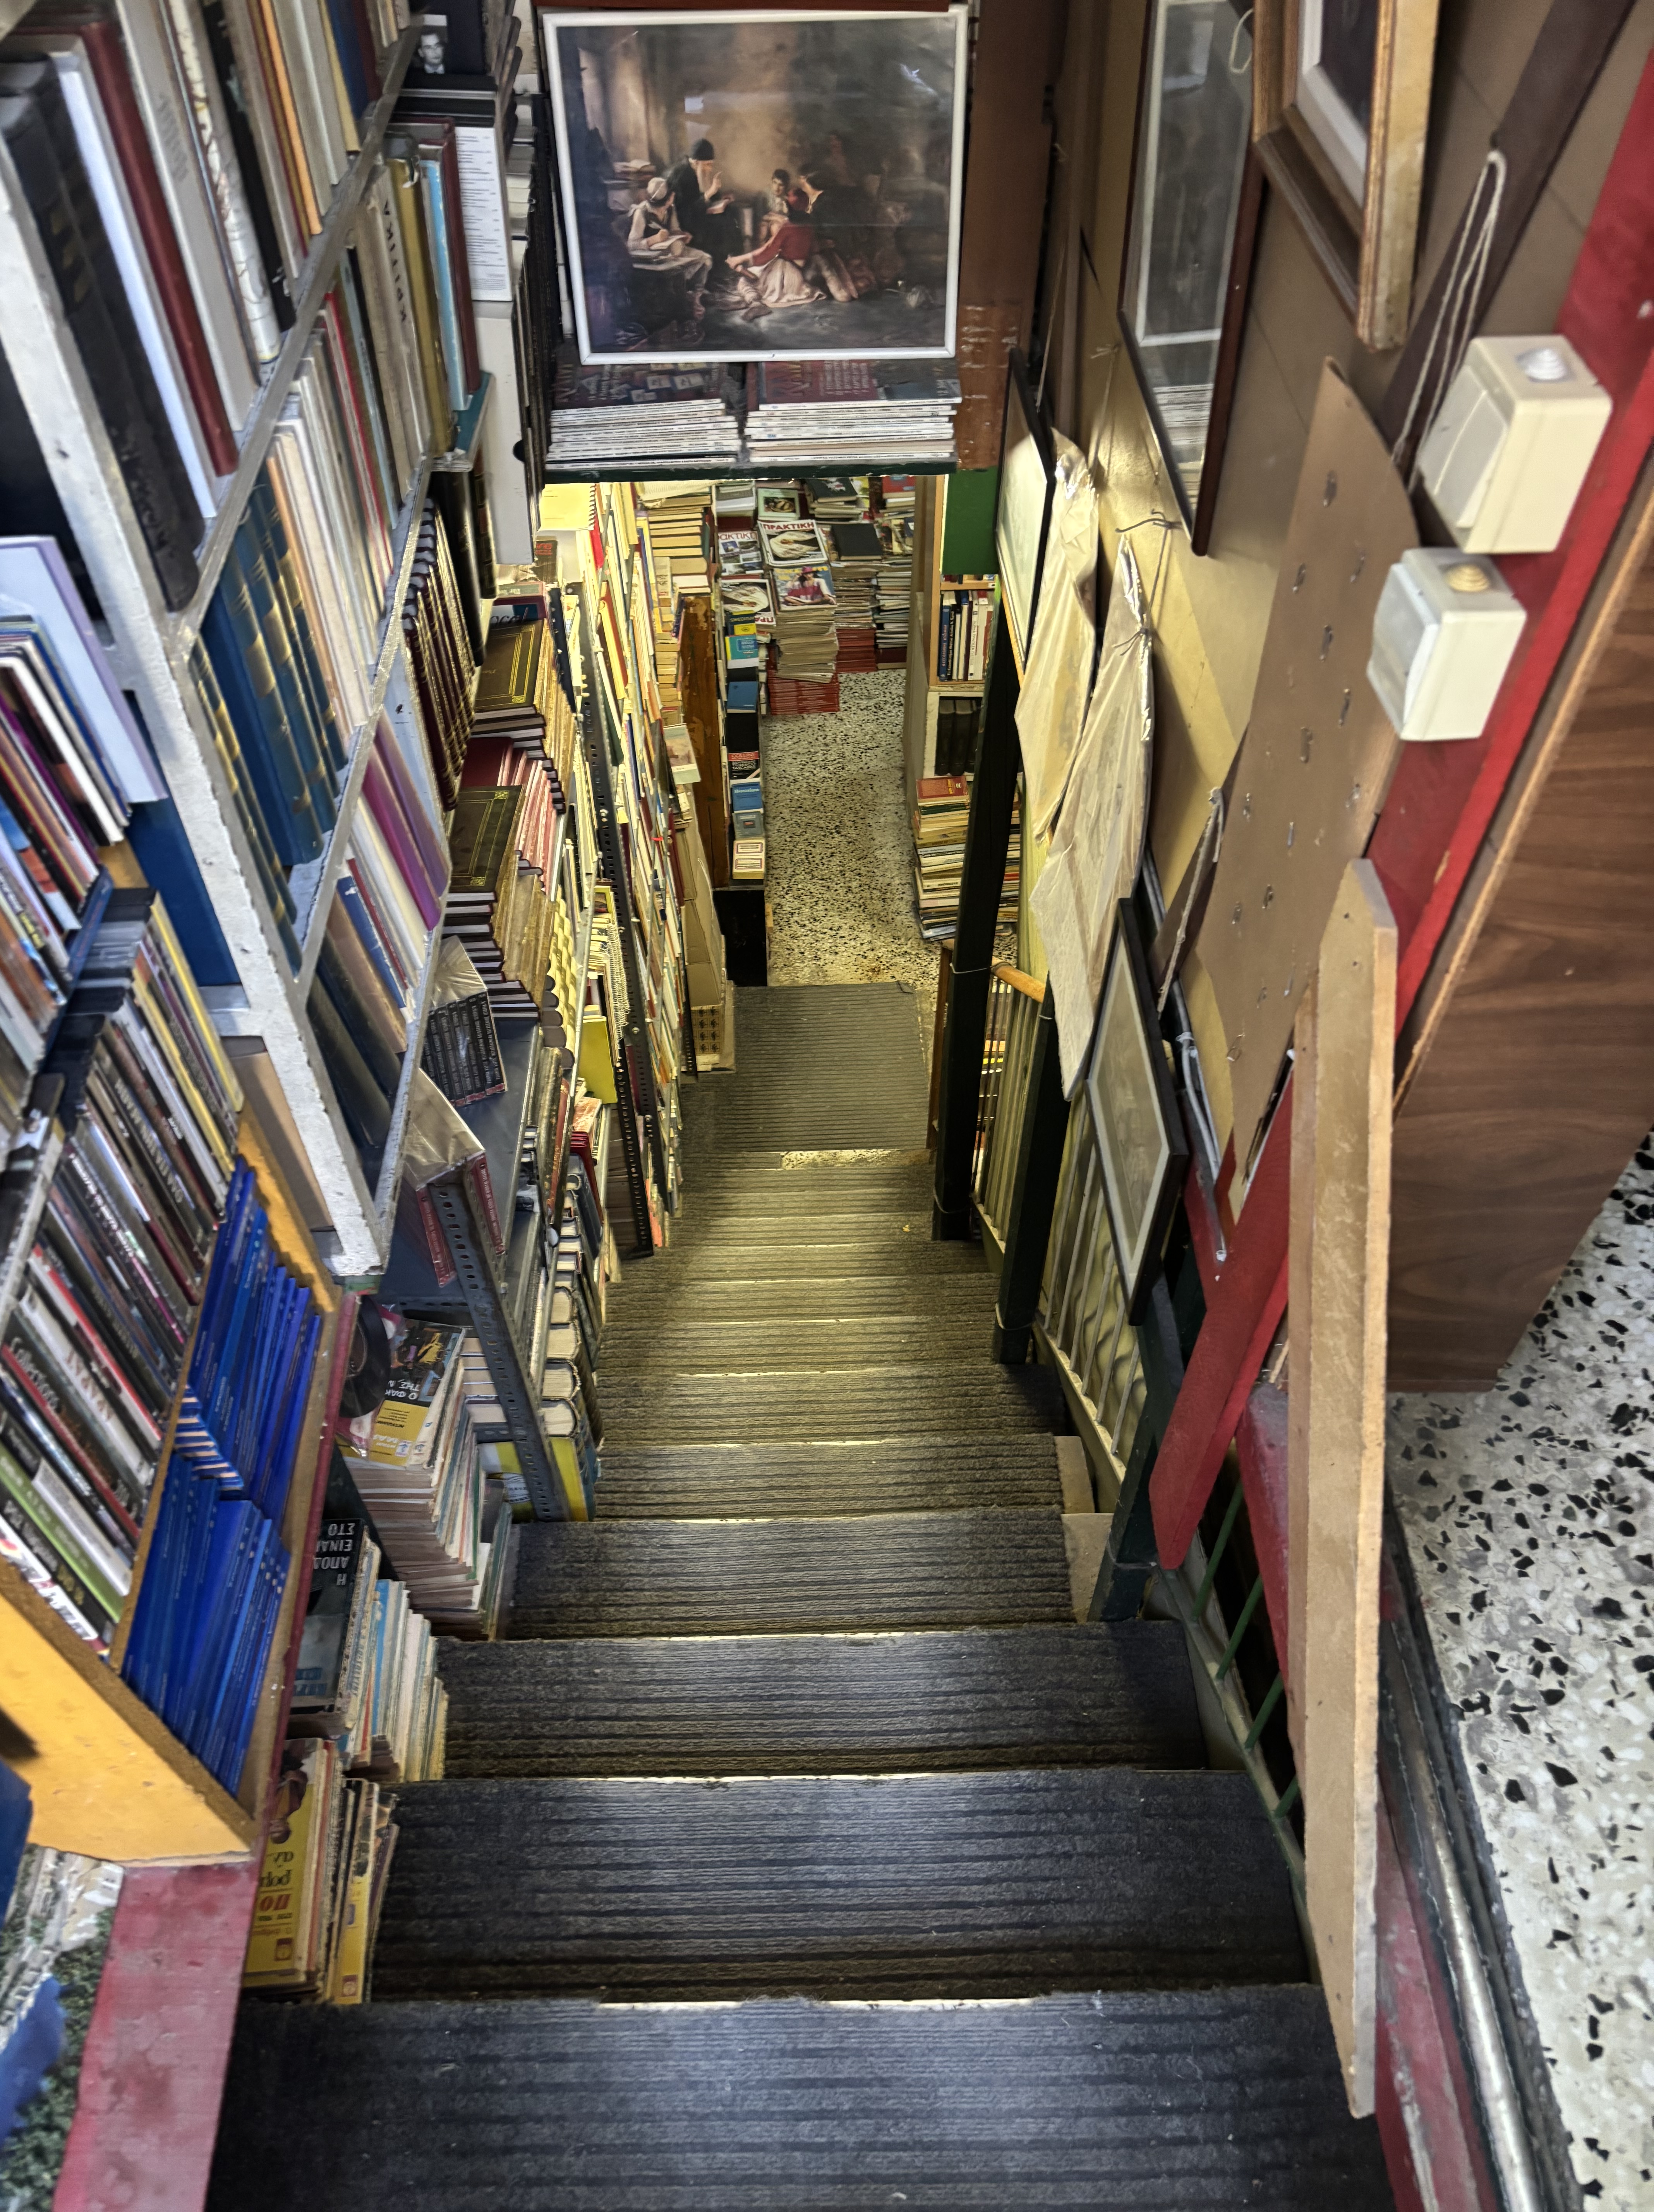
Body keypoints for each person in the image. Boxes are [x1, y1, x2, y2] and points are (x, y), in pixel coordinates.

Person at [727, 198, 826, 319]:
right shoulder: (810, 226)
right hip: (799, 277)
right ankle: (753, 300)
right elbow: (814, 249)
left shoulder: (787, 227)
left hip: (784, 275)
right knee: (757, 277)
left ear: (789, 207)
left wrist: (739, 260)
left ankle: (756, 305)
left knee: (745, 282)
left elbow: (767, 252)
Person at [626, 177, 712, 310]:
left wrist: (682, 235)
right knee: (677, 271)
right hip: (654, 257)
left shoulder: (670, 209)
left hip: (673, 251)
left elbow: (674, 230)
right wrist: (654, 239)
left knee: (706, 259)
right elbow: (632, 245)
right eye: (671, 195)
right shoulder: (642, 212)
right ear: (666, 200)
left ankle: (696, 297)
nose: (674, 196)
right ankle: (683, 301)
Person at [665, 138, 741, 269]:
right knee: (720, 224)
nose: (710, 169)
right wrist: (709, 194)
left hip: (698, 214)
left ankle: (732, 262)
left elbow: (704, 193)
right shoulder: (682, 176)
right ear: (696, 162)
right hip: (685, 224)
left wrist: (721, 197)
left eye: (711, 164)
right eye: (708, 165)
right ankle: (719, 267)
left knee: (732, 211)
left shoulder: (697, 170)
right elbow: (686, 212)